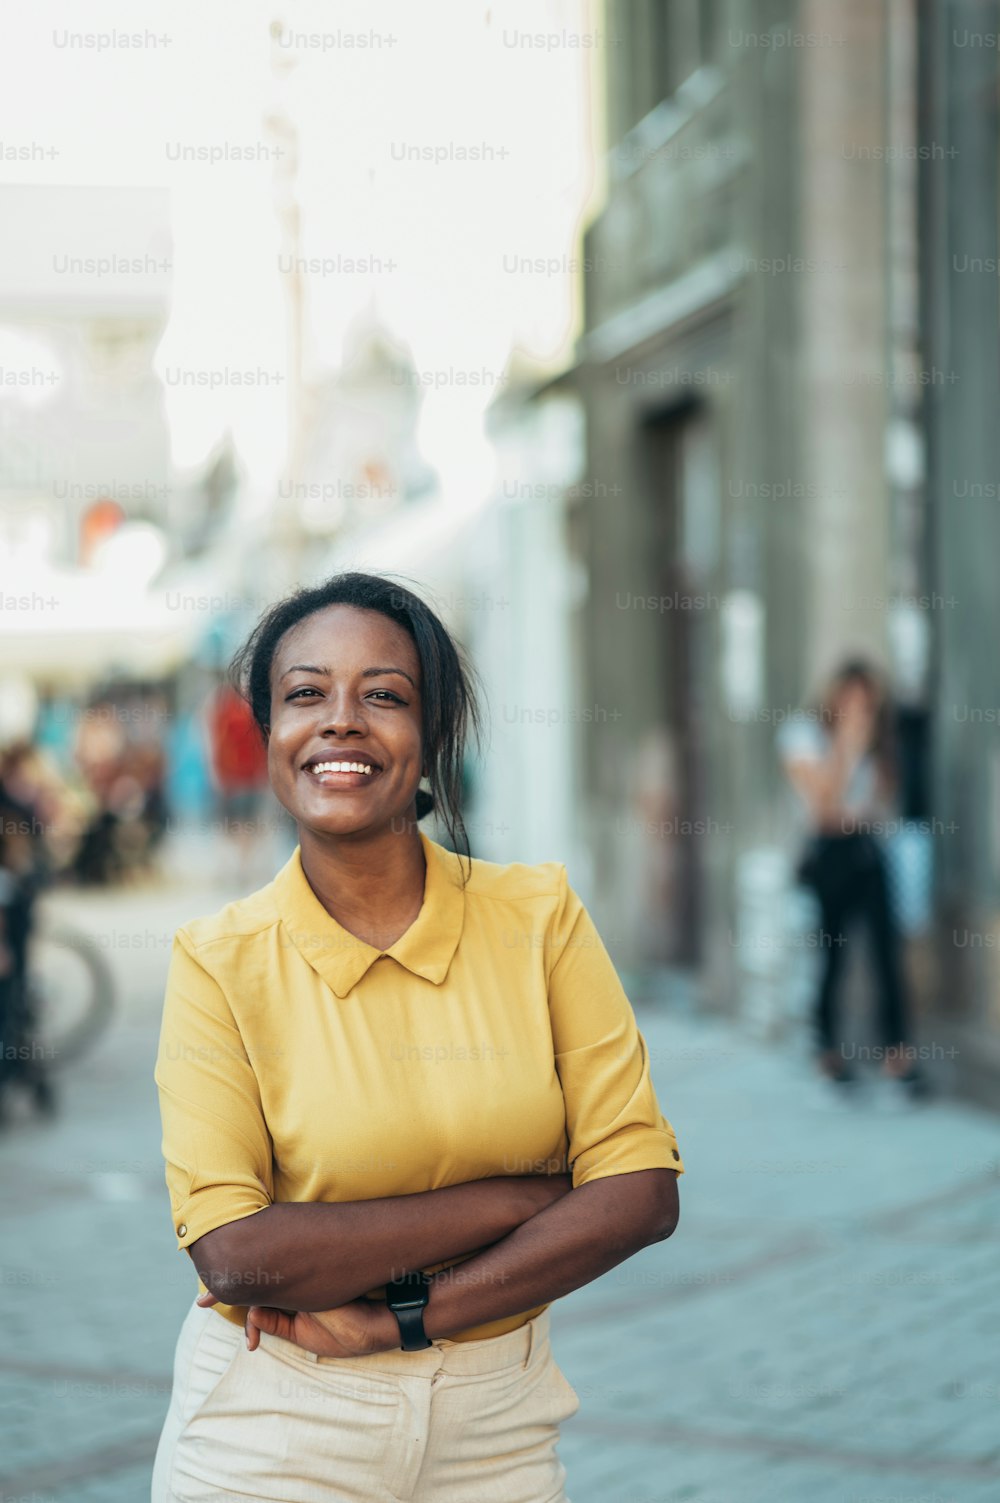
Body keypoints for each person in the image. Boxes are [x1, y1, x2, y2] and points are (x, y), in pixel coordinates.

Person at [152, 572, 684, 1503]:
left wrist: (410, 1316)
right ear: (269, 735)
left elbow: (640, 1195)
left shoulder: (540, 917)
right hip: (273, 1426)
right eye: (305, 694)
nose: (341, 720)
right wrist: (522, 1198)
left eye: (384, 695)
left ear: (432, 734)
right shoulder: (217, 962)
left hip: (501, 1431)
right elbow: (237, 1252)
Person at [777, 658, 929, 1100]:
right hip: (829, 854)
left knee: (886, 952)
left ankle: (897, 1057)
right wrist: (846, 745)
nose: (859, 710)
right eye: (851, 700)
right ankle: (827, 1053)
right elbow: (823, 804)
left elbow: (882, 801)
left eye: (867, 703)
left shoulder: (878, 742)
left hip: (867, 848)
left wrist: (874, 751)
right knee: (833, 955)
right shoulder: (803, 734)